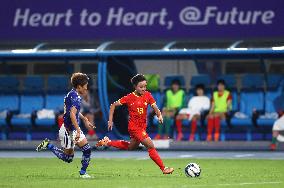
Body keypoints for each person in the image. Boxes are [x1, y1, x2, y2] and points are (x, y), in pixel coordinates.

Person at [96, 74, 174, 174]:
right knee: (150, 145)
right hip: (134, 127)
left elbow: (154, 106)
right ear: (135, 87)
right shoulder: (129, 97)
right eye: (141, 87)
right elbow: (113, 106)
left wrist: (159, 115)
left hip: (142, 127)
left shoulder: (147, 95)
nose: (143, 89)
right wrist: (110, 120)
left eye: (145, 86)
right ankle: (164, 168)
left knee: (130, 147)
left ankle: (107, 142)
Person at [36, 72, 95, 178]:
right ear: (79, 86)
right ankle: (48, 145)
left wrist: (85, 119)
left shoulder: (72, 94)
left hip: (72, 128)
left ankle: (83, 172)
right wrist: (77, 130)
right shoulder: (76, 97)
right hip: (68, 131)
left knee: (87, 149)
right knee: (68, 158)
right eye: (85, 85)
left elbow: (75, 112)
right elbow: (72, 114)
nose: (86, 88)